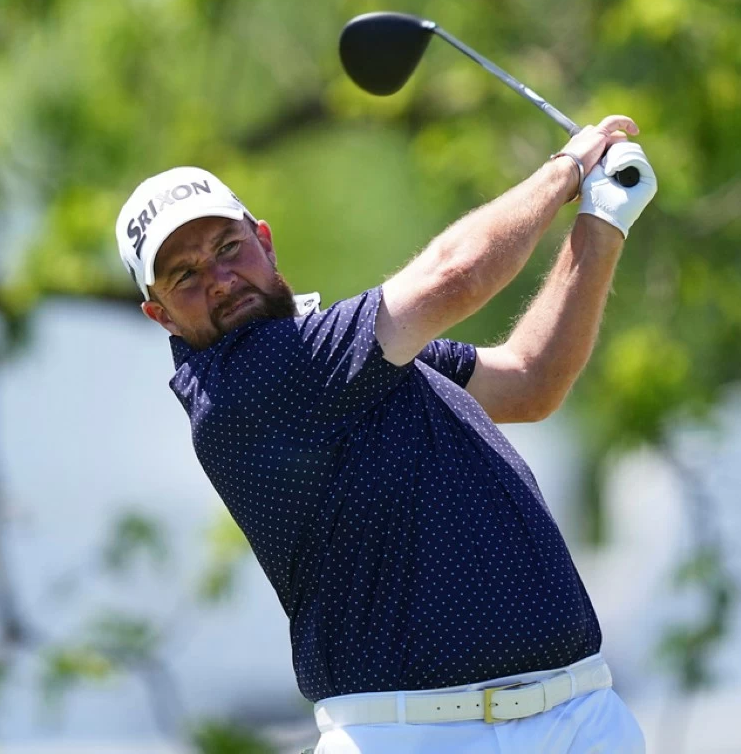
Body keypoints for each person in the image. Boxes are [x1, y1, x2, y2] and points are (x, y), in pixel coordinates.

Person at [114, 115, 657, 753]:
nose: (220, 280)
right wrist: (567, 171)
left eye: (228, 248)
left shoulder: (346, 359)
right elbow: (454, 274)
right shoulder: (244, 385)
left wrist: (602, 223)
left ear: (264, 241)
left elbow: (531, 381)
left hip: (577, 716)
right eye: (185, 275)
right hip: (414, 735)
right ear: (161, 315)